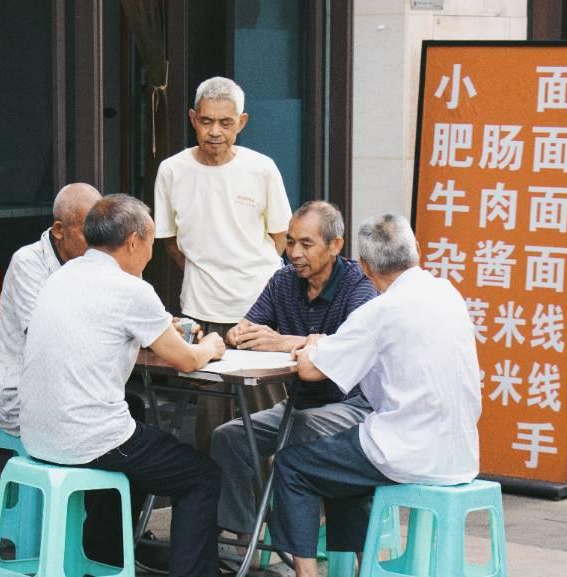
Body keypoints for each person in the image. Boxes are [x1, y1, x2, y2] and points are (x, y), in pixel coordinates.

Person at [21, 194, 227, 577]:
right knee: (201, 475)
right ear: (133, 240)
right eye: (150, 243)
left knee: (135, 412)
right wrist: (210, 347)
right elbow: (184, 359)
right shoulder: (131, 289)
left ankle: (103, 558)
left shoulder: (63, 275)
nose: (151, 254)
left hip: (37, 434)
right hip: (84, 439)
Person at [270, 214, 482, 577]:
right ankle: (358, 567)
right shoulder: (447, 293)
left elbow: (310, 370)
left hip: (408, 449)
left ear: (365, 268)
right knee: (341, 461)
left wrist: (313, 344)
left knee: (293, 465)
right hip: (461, 451)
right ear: (415, 250)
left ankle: (307, 574)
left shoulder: (379, 312)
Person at [211, 201, 377, 560]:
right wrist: (238, 334)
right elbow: (251, 327)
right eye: (289, 243)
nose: (295, 254)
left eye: (306, 244)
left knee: (298, 431)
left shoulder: (358, 285)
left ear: (335, 245)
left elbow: (346, 348)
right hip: (298, 403)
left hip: (351, 406)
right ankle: (242, 542)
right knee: (229, 438)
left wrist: (283, 341)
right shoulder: (283, 280)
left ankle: (297, 541)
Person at [154, 76, 293, 450]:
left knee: (265, 413)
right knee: (210, 416)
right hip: (201, 309)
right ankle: (214, 503)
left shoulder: (261, 168)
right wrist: (206, 273)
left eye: (226, 123)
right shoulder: (172, 170)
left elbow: (279, 237)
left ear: (242, 123)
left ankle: (268, 502)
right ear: (192, 118)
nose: (215, 131)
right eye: (206, 121)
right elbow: (169, 240)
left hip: (259, 307)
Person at [0, 182, 102, 436]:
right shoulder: (28, 263)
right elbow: (48, 337)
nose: (98, 242)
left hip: (72, 391)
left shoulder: (94, 261)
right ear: (59, 230)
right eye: (89, 232)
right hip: (24, 399)